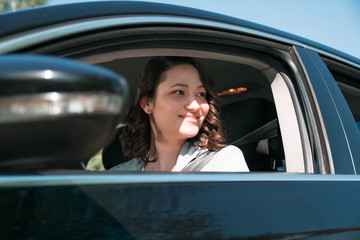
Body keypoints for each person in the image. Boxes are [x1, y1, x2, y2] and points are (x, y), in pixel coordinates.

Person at [110, 56, 249, 172]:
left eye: (201, 94)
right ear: (147, 104)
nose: (195, 105)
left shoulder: (223, 162)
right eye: (179, 92)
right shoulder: (118, 176)